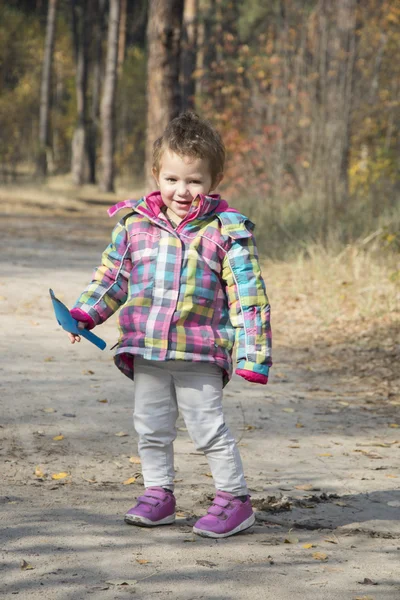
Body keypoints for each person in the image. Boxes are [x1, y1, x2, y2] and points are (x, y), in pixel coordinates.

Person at [67, 111, 272, 539]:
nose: (183, 191)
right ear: (157, 174)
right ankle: (158, 494)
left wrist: (254, 355)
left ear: (213, 181)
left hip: (199, 350)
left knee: (207, 427)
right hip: (145, 347)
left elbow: (248, 297)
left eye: (195, 181)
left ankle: (235, 499)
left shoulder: (225, 233)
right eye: (173, 179)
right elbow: (112, 278)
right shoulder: (135, 226)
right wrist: (85, 313)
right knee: (152, 426)